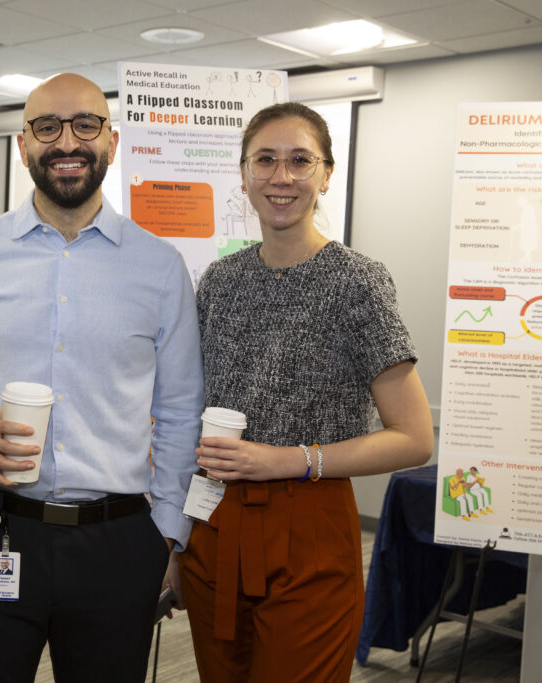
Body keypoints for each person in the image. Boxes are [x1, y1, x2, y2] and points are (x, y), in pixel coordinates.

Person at [0, 73, 203, 682]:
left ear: (112, 142)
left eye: (85, 125)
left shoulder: (160, 267)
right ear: (23, 146)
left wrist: (167, 535)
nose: (67, 142)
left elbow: (180, 412)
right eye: (47, 127)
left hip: (117, 542)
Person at [178, 102, 434, 682]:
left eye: (300, 160)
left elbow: (414, 438)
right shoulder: (220, 282)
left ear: (326, 175)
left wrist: (286, 460)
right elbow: (192, 418)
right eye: (265, 160)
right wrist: (176, 543)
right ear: (244, 174)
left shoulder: (357, 282)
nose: (282, 176)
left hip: (310, 527)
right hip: (213, 522)